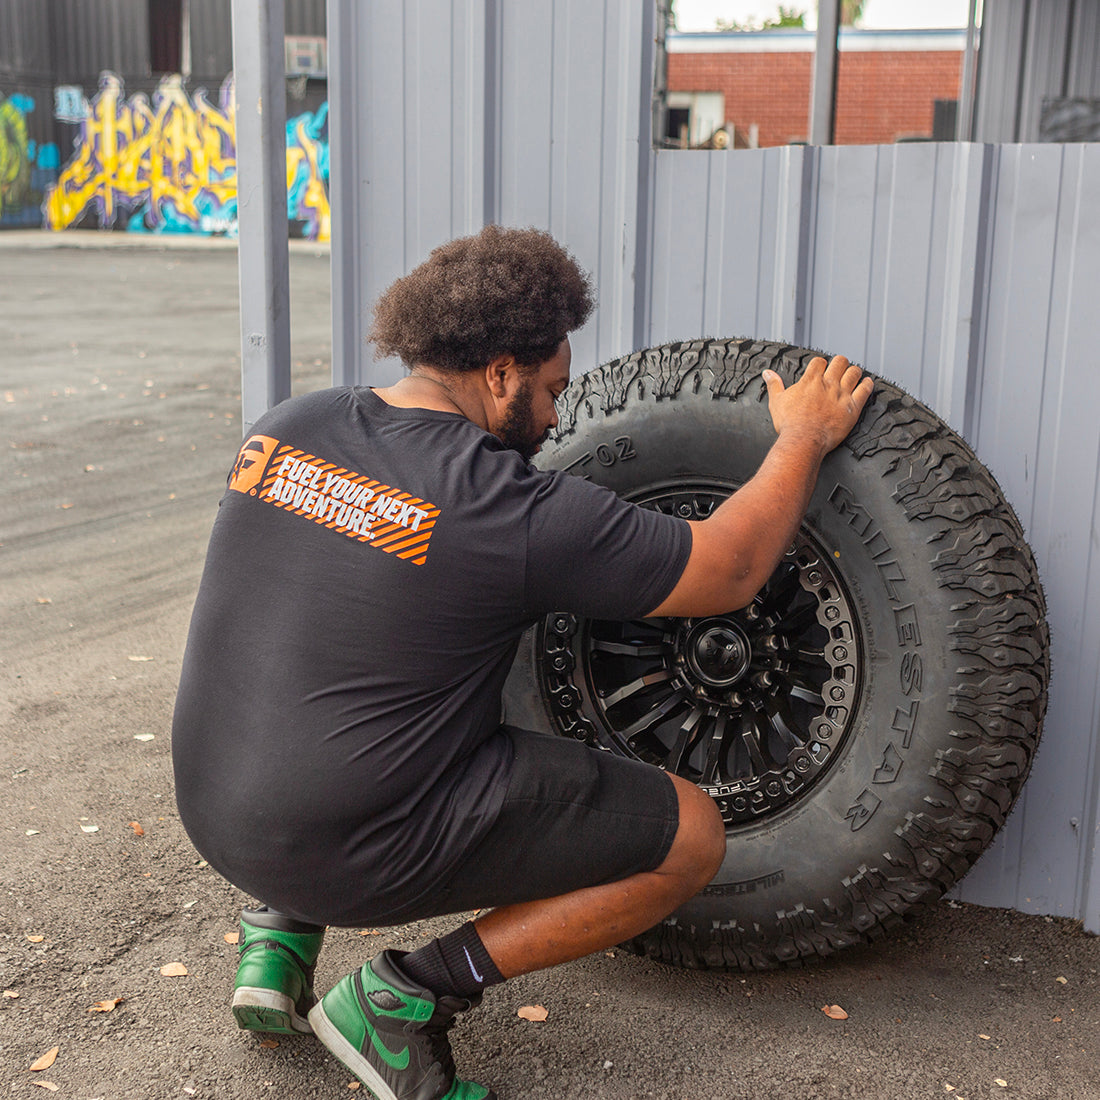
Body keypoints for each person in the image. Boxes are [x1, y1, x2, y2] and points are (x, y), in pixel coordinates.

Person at [171, 224, 873, 1100]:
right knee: (689, 838)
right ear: (499, 371)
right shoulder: (506, 507)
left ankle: (274, 942)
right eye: (549, 390)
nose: (554, 419)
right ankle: (406, 999)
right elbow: (727, 570)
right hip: (343, 845)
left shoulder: (292, 424)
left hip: (213, 812)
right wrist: (802, 438)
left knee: (362, 649)